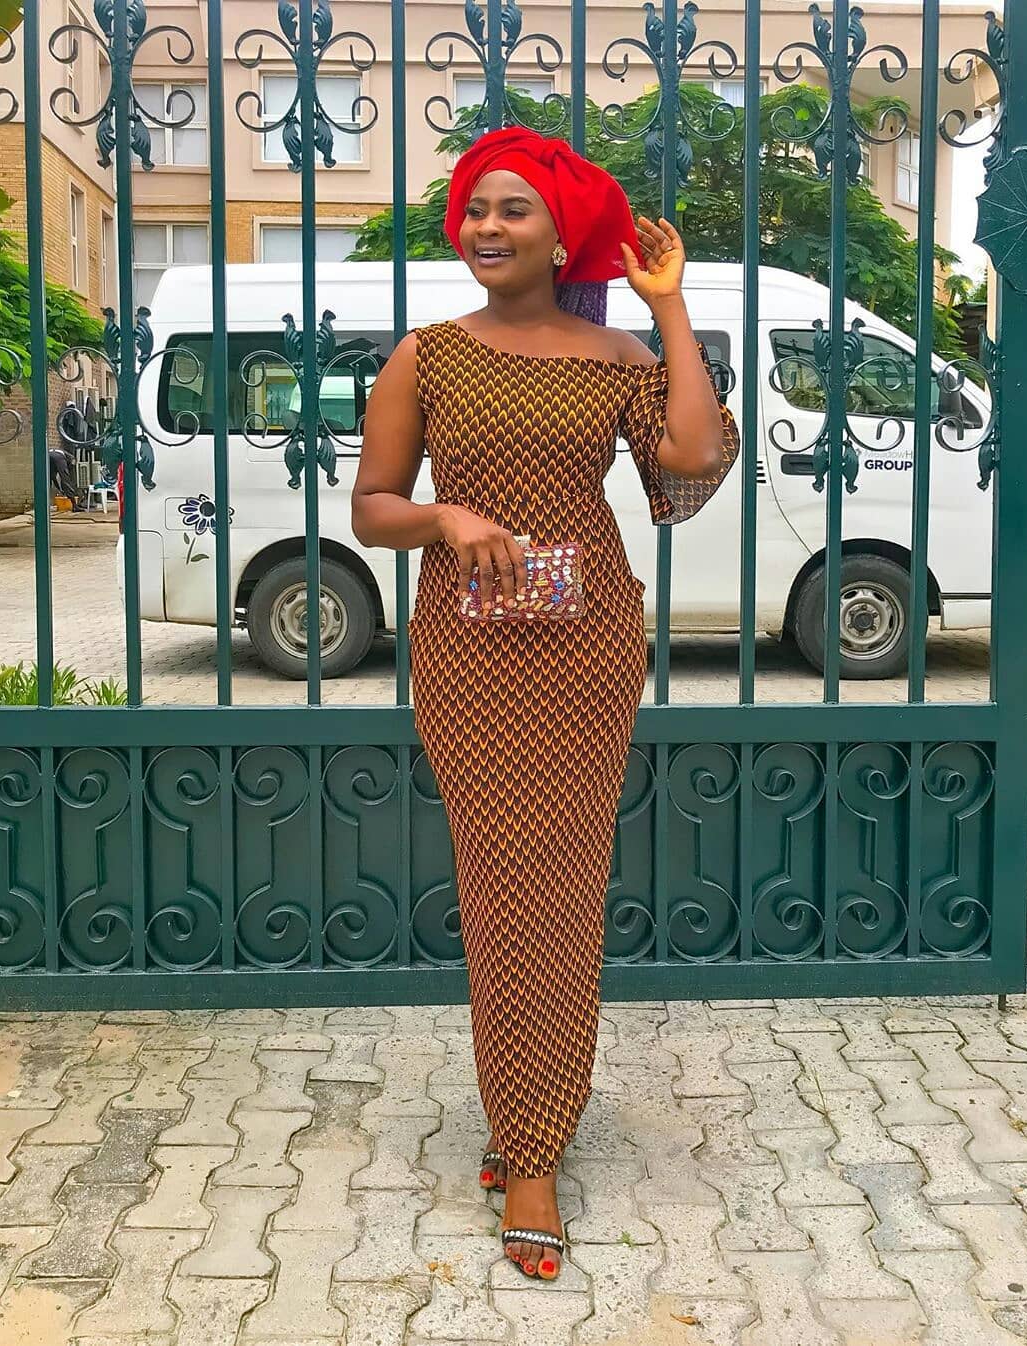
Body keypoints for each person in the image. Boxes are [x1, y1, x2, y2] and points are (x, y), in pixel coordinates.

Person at [351, 125, 740, 1282]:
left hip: (585, 646)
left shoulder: (615, 355)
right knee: (497, 883)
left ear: (561, 234)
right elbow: (372, 504)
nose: (487, 226)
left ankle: (533, 1137)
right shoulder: (427, 356)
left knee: (565, 883)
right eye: (475, 208)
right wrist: (445, 517)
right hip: (469, 651)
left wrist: (668, 308)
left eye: (512, 209)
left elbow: (691, 455)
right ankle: (522, 1126)